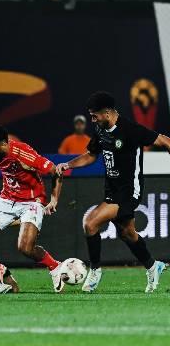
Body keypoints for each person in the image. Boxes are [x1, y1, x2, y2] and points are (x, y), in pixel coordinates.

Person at [56, 91, 170, 293]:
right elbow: (91, 155)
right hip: (111, 188)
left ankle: (95, 270)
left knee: (90, 222)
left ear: (107, 113)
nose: (92, 120)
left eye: (95, 116)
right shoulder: (101, 130)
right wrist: (68, 165)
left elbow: (164, 141)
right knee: (127, 233)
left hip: (129, 191)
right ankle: (154, 266)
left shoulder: (131, 130)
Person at [0, 124, 65, 293]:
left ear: (2, 144)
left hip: (31, 201)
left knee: (25, 248)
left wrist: (54, 200)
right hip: (7, 199)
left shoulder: (23, 153)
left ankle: (55, 267)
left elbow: (55, 171)